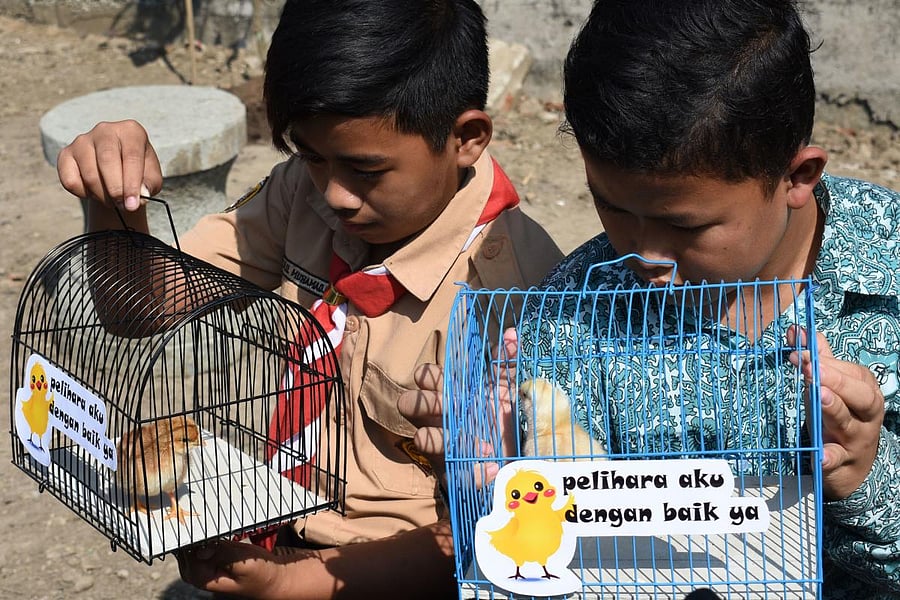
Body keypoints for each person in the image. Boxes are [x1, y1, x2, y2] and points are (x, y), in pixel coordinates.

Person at [56, 0, 563, 597]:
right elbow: (143, 309)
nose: (337, 195)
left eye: (365, 169)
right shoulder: (305, 191)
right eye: (312, 156)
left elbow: (486, 539)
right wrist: (113, 202)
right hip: (279, 514)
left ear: (466, 139)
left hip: (396, 574)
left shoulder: (515, 299)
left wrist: (286, 584)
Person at [404, 1, 899, 599]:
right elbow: (544, 564)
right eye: (612, 208)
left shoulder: (888, 273)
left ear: (797, 178)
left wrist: (868, 479)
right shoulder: (571, 315)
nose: (645, 255)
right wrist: (497, 481)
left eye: (686, 227)